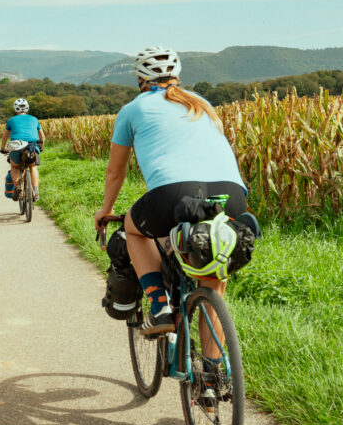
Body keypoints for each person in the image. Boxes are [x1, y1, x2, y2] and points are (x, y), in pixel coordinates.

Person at [92, 46, 247, 338]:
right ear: (177, 75)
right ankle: (213, 377)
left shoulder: (133, 109)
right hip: (231, 194)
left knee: (134, 231)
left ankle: (160, 306)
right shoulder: (201, 103)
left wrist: (105, 208)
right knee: (212, 283)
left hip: (173, 193)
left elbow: (115, 171)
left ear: (140, 79)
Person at [0, 98, 44, 201]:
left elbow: (5, 136)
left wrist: (2, 148)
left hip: (17, 147)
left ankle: (17, 186)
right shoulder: (34, 119)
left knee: (14, 166)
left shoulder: (11, 120)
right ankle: (36, 192)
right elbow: (42, 136)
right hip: (32, 147)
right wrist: (41, 147)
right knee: (33, 167)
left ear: (15, 109)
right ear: (27, 108)